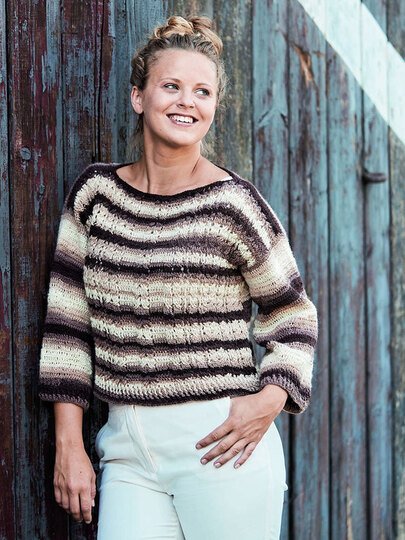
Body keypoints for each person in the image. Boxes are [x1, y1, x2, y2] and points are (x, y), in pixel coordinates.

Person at [38, 15, 318, 540]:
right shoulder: (95, 197)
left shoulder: (233, 205)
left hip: (221, 445)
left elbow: (293, 312)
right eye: (171, 86)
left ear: (213, 106)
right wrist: (69, 443)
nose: (187, 101)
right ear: (138, 97)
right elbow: (66, 329)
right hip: (125, 450)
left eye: (202, 91)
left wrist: (270, 399)